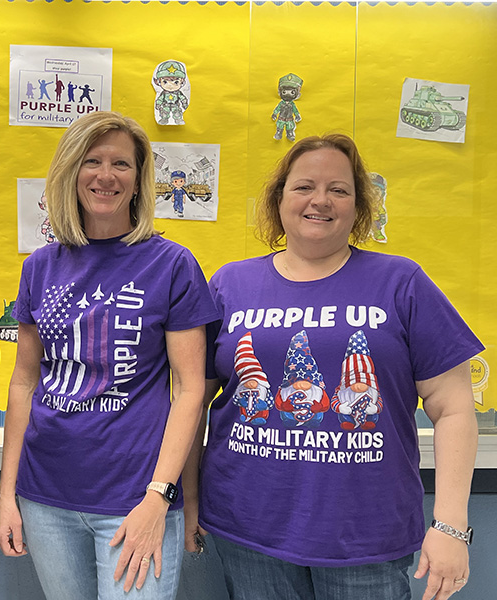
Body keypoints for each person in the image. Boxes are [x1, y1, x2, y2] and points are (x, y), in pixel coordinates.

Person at [184, 133, 482, 600]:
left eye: (338, 189)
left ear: (359, 205)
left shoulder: (402, 281)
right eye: (304, 186)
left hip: (367, 538)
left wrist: (451, 525)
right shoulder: (229, 284)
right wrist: (189, 502)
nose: (319, 200)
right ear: (279, 197)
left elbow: (454, 408)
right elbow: (189, 401)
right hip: (247, 527)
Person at [0, 111, 218, 599]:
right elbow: (23, 383)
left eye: (122, 164)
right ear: (71, 172)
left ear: (138, 180)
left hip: (136, 496)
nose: (105, 175)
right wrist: (7, 495)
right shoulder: (40, 266)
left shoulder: (171, 264)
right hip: (45, 495)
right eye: (91, 161)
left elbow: (189, 390)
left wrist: (160, 497)